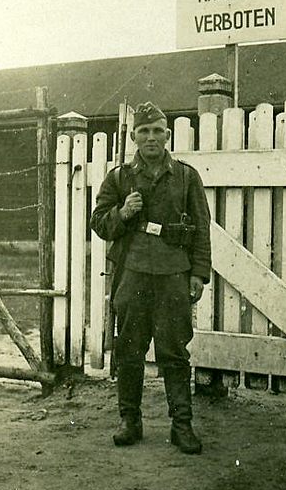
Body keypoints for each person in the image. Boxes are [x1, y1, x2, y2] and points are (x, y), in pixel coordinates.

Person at [90, 102, 211, 454]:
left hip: (174, 273)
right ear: (133, 137)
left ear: (168, 135)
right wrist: (123, 212)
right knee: (129, 349)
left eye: (157, 131)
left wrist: (199, 274)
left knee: (174, 351)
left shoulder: (186, 176)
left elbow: (202, 228)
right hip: (133, 272)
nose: (151, 137)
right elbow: (99, 223)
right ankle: (130, 420)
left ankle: (182, 425)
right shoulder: (119, 178)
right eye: (144, 131)